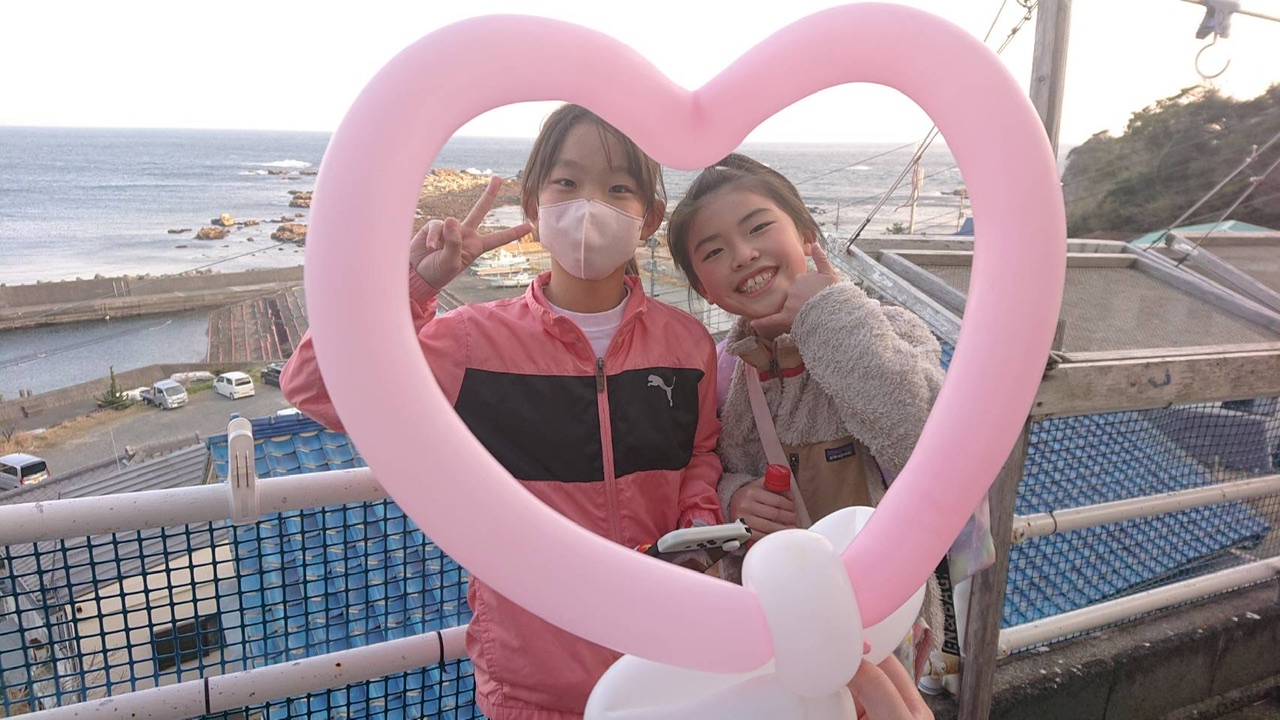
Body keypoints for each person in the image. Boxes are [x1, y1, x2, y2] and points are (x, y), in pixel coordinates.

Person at [281, 104, 724, 719]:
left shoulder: (687, 343)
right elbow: (315, 389)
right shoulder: (470, 342)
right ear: (533, 208)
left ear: (649, 217)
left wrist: (699, 529)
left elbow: (700, 454)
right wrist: (413, 283)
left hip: (667, 667)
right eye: (566, 182)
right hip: (530, 686)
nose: (590, 206)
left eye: (618, 188)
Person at [665, 153, 946, 678]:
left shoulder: (888, 329)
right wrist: (734, 497)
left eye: (758, 228)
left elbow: (926, 441)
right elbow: (702, 469)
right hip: (774, 628)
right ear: (704, 289)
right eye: (714, 251)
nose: (743, 255)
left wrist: (829, 316)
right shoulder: (720, 373)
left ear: (806, 235)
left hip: (881, 620)